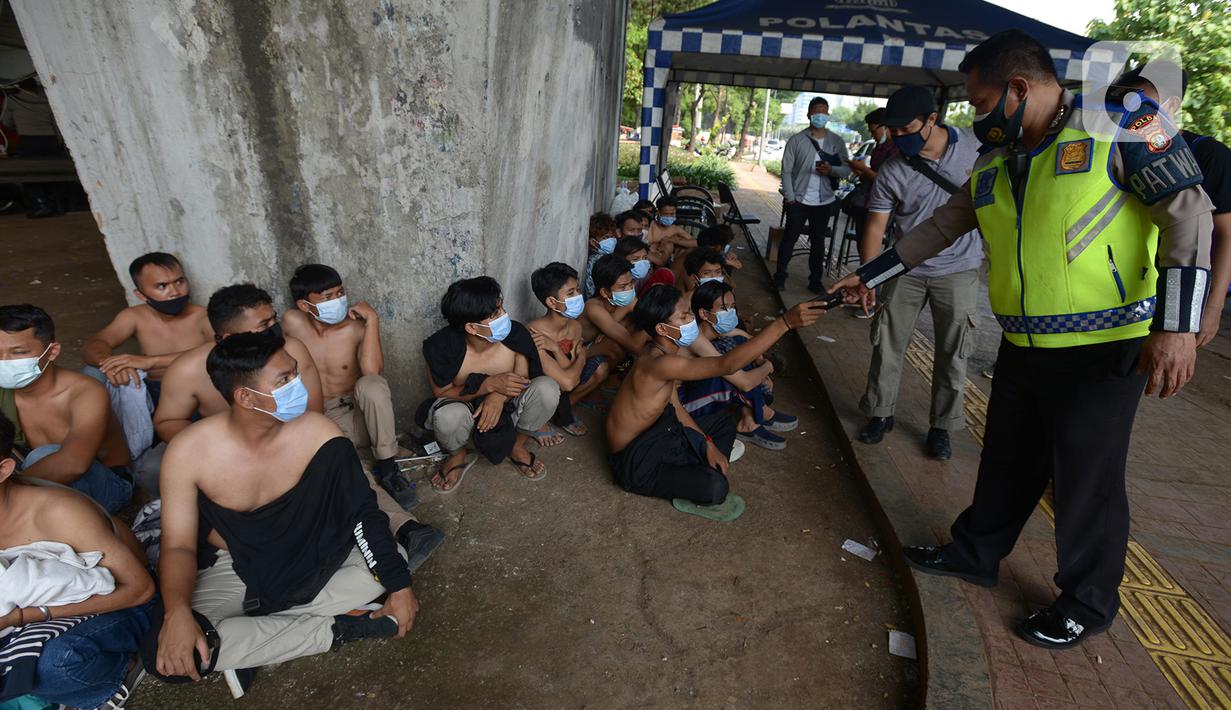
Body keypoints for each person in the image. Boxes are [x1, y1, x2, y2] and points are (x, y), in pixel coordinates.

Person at [831, 30, 1214, 648]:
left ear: (1019, 87)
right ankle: (974, 554)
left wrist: (1177, 326)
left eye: (982, 104)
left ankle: (1088, 602)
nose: (977, 118)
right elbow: (938, 228)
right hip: (1024, 346)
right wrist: (868, 275)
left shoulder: (1120, 122)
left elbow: (1189, 212)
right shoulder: (996, 160)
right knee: (1007, 459)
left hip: (1107, 346)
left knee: (1085, 477)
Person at [149, 333, 419, 694]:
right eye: (284, 381)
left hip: (313, 554)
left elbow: (363, 514)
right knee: (167, 656)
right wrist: (177, 613)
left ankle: (252, 640)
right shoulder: (189, 452)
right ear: (245, 397)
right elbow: (179, 546)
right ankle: (341, 629)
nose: (299, 385)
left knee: (388, 566)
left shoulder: (320, 433)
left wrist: (400, 587)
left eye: (295, 373)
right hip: (235, 564)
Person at [605, 286, 826, 521]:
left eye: (689, 312)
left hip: (658, 435)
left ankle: (690, 470)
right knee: (716, 488)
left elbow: (676, 408)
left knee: (723, 424)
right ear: (661, 328)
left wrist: (707, 444)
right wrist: (784, 323)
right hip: (634, 461)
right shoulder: (658, 364)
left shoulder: (659, 352)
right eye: (683, 316)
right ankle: (690, 476)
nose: (691, 320)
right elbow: (726, 366)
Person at [856, 85, 985, 460]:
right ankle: (880, 413)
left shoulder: (977, 149)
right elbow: (877, 226)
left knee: (954, 351)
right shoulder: (893, 168)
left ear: (932, 119)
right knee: (888, 343)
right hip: (904, 268)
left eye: (904, 129)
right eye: (892, 130)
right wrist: (870, 277)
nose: (897, 138)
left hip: (960, 269)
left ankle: (942, 426)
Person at [0, 412, 157, 710]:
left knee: (55, 666)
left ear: (4, 469)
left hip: (118, 604)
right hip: (22, 617)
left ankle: (120, 671)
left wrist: (22, 617)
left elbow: (140, 590)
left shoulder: (57, 512)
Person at [147, 284, 325, 497]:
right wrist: (211, 448)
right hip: (224, 452)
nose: (275, 329)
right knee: (151, 468)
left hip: (288, 440)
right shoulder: (186, 370)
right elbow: (167, 421)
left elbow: (314, 410)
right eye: (264, 325)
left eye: (273, 319)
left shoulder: (292, 351)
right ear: (229, 337)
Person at [1113, 63, 1231, 348]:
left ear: (1172, 103)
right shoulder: (1120, 142)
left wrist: (1212, 309)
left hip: (1175, 286)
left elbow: (1226, 234)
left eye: (1141, 100)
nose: (1134, 110)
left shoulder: (1209, 154)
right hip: (1124, 288)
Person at [283, 264, 414, 507]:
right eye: (327, 297)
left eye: (340, 293)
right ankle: (382, 507)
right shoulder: (292, 323)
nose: (338, 301)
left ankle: (387, 466)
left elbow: (372, 372)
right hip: (325, 418)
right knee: (344, 469)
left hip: (363, 416)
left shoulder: (355, 327)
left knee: (372, 384)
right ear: (304, 305)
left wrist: (372, 321)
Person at [418, 277, 560, 492]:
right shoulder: (441, 346)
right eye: (495, 314)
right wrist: (486, 386)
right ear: (472, 328)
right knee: (447, 416)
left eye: (501, 306)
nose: (504, 315)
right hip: (467, 412)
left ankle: (516, 445)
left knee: (547, 388)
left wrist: (498, 395)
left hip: (508, 405)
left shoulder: (515, 334)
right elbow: (442, 392)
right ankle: (458, 453)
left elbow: (522, 379)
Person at [0, 304, 133, 513]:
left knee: (44, 455)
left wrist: (8, 486)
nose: (4, 362)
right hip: (34, 479)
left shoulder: (85, 392)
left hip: (106, 484)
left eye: (18, 352)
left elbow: (74, 463)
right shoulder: (4, 392)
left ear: (52, 352)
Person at [82, 252, 215, 462]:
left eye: (179, 282)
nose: (174, 292)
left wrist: (150, 361)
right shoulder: (134, 316)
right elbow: (95, 344)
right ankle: (116, 455)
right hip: (151, 393)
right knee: (92, 373)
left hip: (190, 396)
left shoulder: (202, 316)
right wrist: (110, 364)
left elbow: (216, 349)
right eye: (162, 286)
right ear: (141, 294)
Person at [680, 281, 799, 450]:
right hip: (682, 407)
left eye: (732, 306)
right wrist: (767, 367)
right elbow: (744, 381)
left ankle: (748, 419)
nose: (730, 312)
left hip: (697, 391)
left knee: (737, 345)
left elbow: (745, 338)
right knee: (726, 374)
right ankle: (761, 411)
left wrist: (759, 362)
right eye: (723, 308)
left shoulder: (714, 330)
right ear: (704, 314)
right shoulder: (695, 338)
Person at [774, 96, 852, 292]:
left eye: (824, 111)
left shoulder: (837, 141)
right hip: (798, 200)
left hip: (824, 201)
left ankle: (815, 281)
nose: (821, 115)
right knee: (789, 239)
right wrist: (790, 197)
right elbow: (787, 170)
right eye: (817, 111)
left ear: (828, 115)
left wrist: (831, 170)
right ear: (809, 114)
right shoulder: (797, 140)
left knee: (818, 243)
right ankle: (780, 276)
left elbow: (846, 170)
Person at [526, 263, 607, 441]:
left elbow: (570, 369)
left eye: (577, 290)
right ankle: (537, 420)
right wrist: (582, 356)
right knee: (554, 383)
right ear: (552, 302)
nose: (578, 296)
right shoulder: (534, 332)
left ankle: (562, 410)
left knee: (601, 367)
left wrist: (556, 348)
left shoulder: (575, 327)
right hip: (540, 388)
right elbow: (568, 382)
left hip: (565, 377)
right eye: (571, 293)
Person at [0, 77, 62, 218]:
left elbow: (5, 121)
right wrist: (58, 141)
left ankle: (41, 204)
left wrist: (20, 126)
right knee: (53, 172)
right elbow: (56, 123)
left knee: (29, 174)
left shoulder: (13, 100)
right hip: (50, 139)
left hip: (27, 139)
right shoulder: (48, 100)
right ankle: (56, 205)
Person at [581, 255, 648, 359]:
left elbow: (649, 316)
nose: (630, 289)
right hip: (582, 350)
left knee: (631, 323)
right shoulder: (593, 308)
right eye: (623, 286)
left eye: (631, 283)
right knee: (613, 345)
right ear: (605, 292)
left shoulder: (628, 301)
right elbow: (635, 347)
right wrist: (649, 328)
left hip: (602, 342)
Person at [582, 212, 619, 299]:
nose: (611, 240)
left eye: (612, 236)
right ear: (593, 242)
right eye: (605, 237)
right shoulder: (594, 261)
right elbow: (590, 291)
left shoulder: (610, 256)